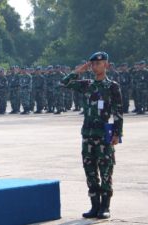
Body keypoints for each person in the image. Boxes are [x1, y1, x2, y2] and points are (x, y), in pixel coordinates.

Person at [62, 52, 122, 219]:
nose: (96, 66)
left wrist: (117, 134)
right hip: (87, 134)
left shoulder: (112, 86)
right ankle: (94, 205)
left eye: (99, 63)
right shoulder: (87, 84)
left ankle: (105, 206)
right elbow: (64, 83)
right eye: (93, 64)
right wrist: (79, 70)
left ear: (106, 65)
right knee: (89, 170)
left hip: (104, 134)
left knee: (105, 170)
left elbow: (118, 111)